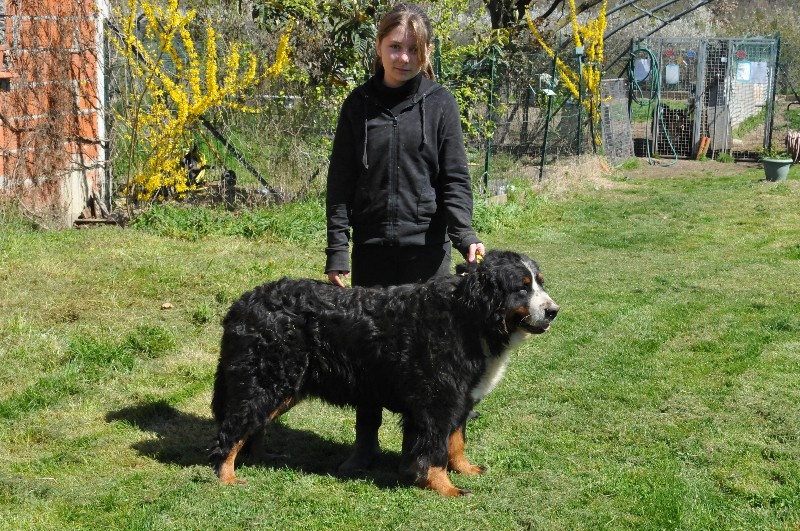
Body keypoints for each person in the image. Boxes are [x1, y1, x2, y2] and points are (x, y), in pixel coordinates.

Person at [324, 2, 485, 473]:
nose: (403, 58)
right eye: (395, 47)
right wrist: (338, 249)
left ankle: (445, 450)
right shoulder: (357, 106)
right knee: (369, 352)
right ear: (379, 47)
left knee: (439, 360)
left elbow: (454, 180)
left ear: (426, 52)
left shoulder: (440, 104)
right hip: (372, 251)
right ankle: (366, 445)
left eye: (413, 49)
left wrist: (465, 236)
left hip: (426, 254)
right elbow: (340, 186)